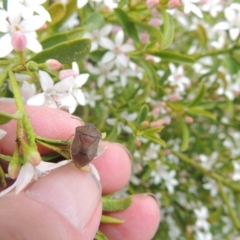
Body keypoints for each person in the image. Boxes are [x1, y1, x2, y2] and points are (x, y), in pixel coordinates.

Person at [0, 103, 160, 240]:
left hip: (75, 153)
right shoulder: (95, 137)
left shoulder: (79, 131)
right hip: (83, 158)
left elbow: (72, 138)